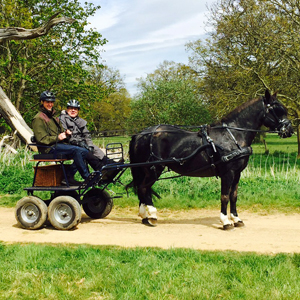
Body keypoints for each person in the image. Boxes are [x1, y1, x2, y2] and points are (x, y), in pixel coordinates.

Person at [32, 91, 91, 185]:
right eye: (47, 102)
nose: (50, 104)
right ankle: (87, 177)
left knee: (84, 151)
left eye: (51, 102)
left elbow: (60, 133)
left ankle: (68, 178)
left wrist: (66, 133)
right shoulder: (38, 118)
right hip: (48, 148)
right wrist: (58, 137)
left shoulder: (54, 117)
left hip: (58, 145)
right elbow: (42, 139)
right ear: (42, 102)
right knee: (77, 151)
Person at [59, 99, 110, 172]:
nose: (73, 110)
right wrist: (79, 143)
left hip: (82, 143)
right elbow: (65, 135)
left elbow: (87, 135)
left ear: (78, 110)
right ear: (67, 109)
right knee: (85, 151)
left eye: (75, 109)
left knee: (94, 149)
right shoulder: (62, 119)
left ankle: (109, 163)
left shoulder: (80, 121)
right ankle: (100, 169)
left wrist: (90, 145)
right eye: (71, 108)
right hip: (71, 144)